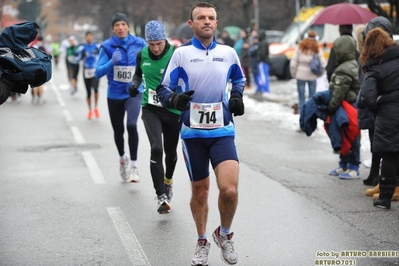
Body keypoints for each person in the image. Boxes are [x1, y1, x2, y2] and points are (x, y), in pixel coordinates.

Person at [156, 2, 245, 265]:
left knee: (229, 190)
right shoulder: (181, 55)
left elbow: (238, 78)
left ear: (216, 23)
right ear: (192, 23)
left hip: (222, 131)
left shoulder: (228, 53)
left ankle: (225, 234)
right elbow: (163, 90)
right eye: (201, 18)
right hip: (193, 135)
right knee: (202, 192)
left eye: (211, 18)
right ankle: (202, 241)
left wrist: (237, 96)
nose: (207, 21)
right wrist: (175, 100)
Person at [129, 20, 180, 214]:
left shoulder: (176, 53)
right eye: (152, 44)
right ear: (147, 43)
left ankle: (168, 181)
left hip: (173, 109)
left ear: (164, 39)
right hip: (150, 108)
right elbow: (137, 74)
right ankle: (161, 196)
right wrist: (134, 85)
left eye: (159, 43)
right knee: (156, 148)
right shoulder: (141, 54)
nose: (156, 48)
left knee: (171, 152)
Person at [95, 13, 146, 182]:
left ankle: (134, 166)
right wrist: (111, 62)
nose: (120, 27)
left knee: (132, 125)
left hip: (134, 91)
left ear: (128, 27)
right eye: (117, 25)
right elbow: (97, 72)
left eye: (123, 24)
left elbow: (152, 60)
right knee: (118, 130)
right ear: (113, 29)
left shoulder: (139, 43)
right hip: (115, 94)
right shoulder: (107, 46)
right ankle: (122, 159)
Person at [359, 22, 399, 209]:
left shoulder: (373, 68)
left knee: (390, 154)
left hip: (388, 113)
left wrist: (378, 107)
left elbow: (368, 97)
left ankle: (384, 197)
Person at [326, 35, 360, 179]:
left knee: (350, 136)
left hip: (348, 106)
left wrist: (331, 107)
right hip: (351, 105)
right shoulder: (353, 63)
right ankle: (344, 164)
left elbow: (339, 92)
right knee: (346, 135)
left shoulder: (344, 69)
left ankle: (352, 166)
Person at [354, 24, 381, 187]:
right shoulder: (371, 56)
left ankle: (378, 176)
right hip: (374, 104)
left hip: (372, 105)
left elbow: (364, 85)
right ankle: (376, 175)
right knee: (376, 139)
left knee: (377, 140)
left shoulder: (367, 58)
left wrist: (364, 101)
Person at [290, 30, 327, 115]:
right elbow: (323, 64)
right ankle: (310, 115)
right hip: (312, 76)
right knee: (312, 98)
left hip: (300, 75)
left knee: (301, 98)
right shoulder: (317, 49)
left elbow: (293, 63)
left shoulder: (300, 47)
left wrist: (294, 74)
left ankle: (302, 115)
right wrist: (320, 74)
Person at [75, 31, 101, 119]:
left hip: (95, 70)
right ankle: (90, 110)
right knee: (88, 92)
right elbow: (77, 58)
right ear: (85, 38)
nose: (89, 38)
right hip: (86, 70)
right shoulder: (82, 47)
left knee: (96, 89)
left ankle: (96, 107)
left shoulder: (97, 46)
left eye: (90, 36)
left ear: (92, 37)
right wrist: (80, 57)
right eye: (87, 37)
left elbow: (103, 55)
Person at [254, 30, 271, 95]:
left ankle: (265, 90)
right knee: (264, 76)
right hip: (264, 61)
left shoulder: (263, 43)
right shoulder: (264, 42)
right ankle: (265, 89)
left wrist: (259, 59)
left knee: (263, 76)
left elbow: (262, 53)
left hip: (263, 62)